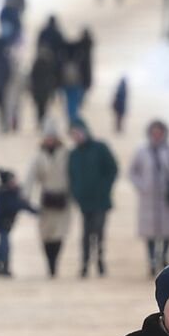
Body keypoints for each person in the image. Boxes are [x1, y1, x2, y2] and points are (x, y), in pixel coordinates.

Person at [129, 120, 169, 277]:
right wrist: (142, 185)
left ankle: (165, 256)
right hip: (148, 199)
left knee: (168, 230)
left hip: (167, 198)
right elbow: (132, 172)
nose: (156, 135)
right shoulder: (142, 151)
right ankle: (152, 259)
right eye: (153, 132)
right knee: (150, 233)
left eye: (159, 132)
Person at [67, 117, 119, 278]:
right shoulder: (74, 154)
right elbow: (71, 177)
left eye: (77, 133)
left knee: (99, 231)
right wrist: (76, 194)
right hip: (84, 201)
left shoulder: (100, 148)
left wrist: (105, 188)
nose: (76, 136)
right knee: (85, 234)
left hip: (101, 200)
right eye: (72, 134)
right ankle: (84, 264)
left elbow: (112, 169)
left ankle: (100, 261)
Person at [26, 125, 73, 277]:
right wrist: (26, 196)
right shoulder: (39, 156)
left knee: (59, 233)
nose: (50, 140)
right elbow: (30, 177)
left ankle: (55, 262)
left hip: (63, 199)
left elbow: (75, 175)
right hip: (46, 199)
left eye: (52, 137)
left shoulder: (67, 155)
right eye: (48, 137)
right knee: (45, 234)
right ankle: (49, 262)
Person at [0, 169, 37, 277]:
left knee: (3, 243)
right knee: (5, 244)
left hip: (7, 223)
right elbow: (14, 205)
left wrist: (36, 212)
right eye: (11, 180)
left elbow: (25, 205)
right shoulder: (2, 193)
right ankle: (4, 266)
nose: (14, 182)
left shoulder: (16, 192)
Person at [29, 44, 58, 129]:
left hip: (38, 90)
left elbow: (32, 78)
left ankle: (41, 122)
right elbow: (52, 78)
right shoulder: (48, 63)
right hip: (45, 89)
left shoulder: (37, 63)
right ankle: (42, 122)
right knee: (43, 107)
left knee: (40, 108)